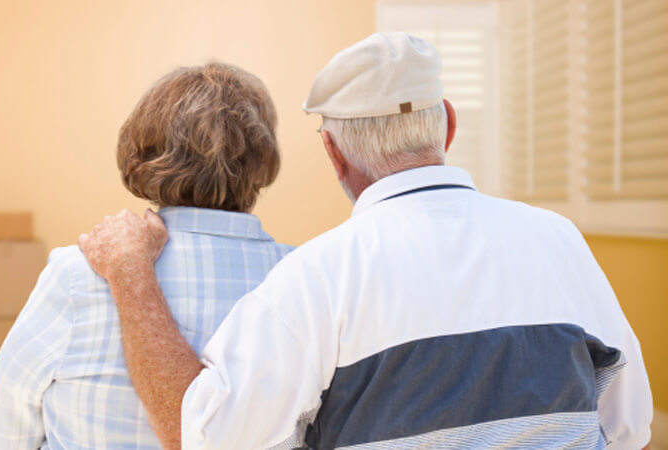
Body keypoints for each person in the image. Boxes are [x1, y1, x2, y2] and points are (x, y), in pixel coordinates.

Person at [76, 33, 654, 449]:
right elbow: (630, 426)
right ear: (448, 124)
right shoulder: (558, 240)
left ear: (333, 153)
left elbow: (204, 438)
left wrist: (130, 270)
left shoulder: (319, 277)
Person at [0, 63, 298, 449]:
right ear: (263, 160)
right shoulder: (302, 280)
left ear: (145, 151)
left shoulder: (81, 274)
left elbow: (5, 429)